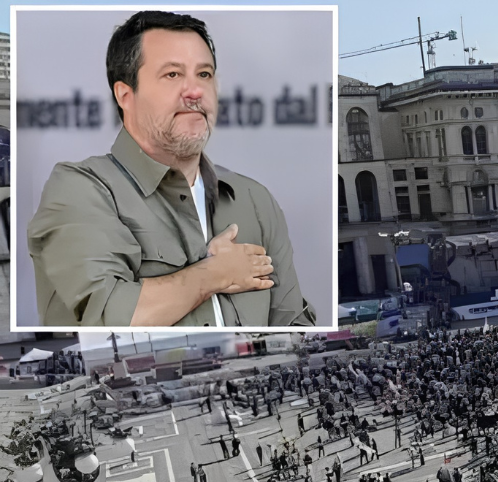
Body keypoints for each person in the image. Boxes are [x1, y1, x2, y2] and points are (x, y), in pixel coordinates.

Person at [25, 10, 315, 328]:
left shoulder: (255, 199)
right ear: (126, 95)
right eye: (172, 75)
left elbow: (296, 327)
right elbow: (104, 317)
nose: (195, 91)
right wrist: (213, 274)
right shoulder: (80, 190)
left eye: (204, 74)